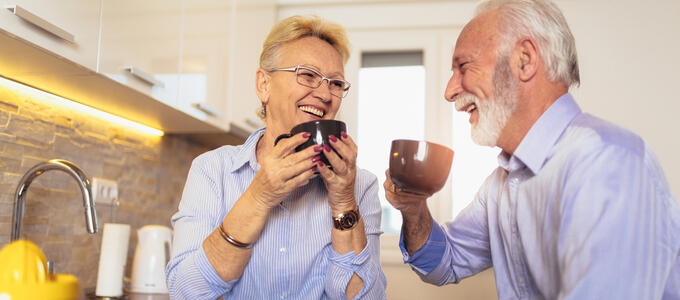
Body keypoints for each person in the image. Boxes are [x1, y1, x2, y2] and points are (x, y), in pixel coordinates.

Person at [383, 0, 680, 299]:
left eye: (463, 67)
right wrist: (413, 208)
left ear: (524, 60)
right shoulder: (500, 185)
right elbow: (443, 263)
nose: (449, 92)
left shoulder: (607, 162)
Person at [167, 15, 387, 299]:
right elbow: (186, 292)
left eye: (335, 83)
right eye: (307, 74)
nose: (324, 93)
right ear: (264, 85)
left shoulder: (360, 186)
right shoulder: (212, 171)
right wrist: (259, 196)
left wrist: (343, 200)